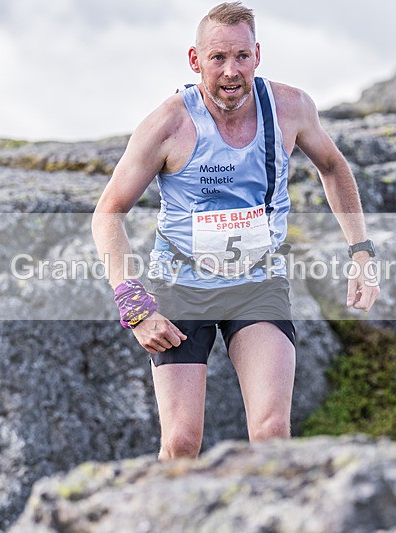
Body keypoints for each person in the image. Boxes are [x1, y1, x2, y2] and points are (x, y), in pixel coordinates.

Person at [91, 2, 379, 461]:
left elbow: (332, 166)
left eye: (242, 56)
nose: (231, 72)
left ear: (257, 55)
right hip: (182, 285)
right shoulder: (168, 124)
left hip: (256, 282)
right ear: (195, 60)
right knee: (181, 443)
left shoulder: (290, 108)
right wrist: (134, 303)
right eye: (218, 58)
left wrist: (360, 252)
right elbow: (108, 213)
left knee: (271, 431)